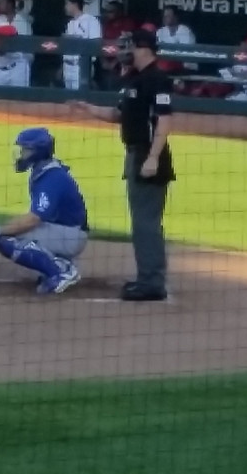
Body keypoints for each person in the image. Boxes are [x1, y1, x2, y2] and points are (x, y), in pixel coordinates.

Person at [69, 30, 175, 301]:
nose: (125, 51)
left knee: (146, 223)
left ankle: (152, 283)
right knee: (141, 222)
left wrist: (153, 157)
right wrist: (87, 107)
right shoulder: (134, 79)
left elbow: (164, 120)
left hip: (148, 156)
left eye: (131, 46)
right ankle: (147, 277)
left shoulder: (157, 79)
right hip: (135, 154)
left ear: (145, 48)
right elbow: (117, 114)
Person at [0, 128, 89, 295]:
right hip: (65, 230)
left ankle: (60, 272)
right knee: (11, 231)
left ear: (38, 152)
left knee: (6, 238)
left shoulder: (51, 178)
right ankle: (62, 264)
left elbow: (33, 219)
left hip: (70, 236)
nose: (21, 154)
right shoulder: (45, 171)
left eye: (26, 150)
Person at [62, 0, 102, 90]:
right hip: (67, 66)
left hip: (81, 66)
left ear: (74, 4)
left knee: (80, 97)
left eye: (67, 4)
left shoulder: (91, 20)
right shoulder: (70, 23)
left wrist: (87, 65)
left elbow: (96, 43)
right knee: (68, 97)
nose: (65, 7)